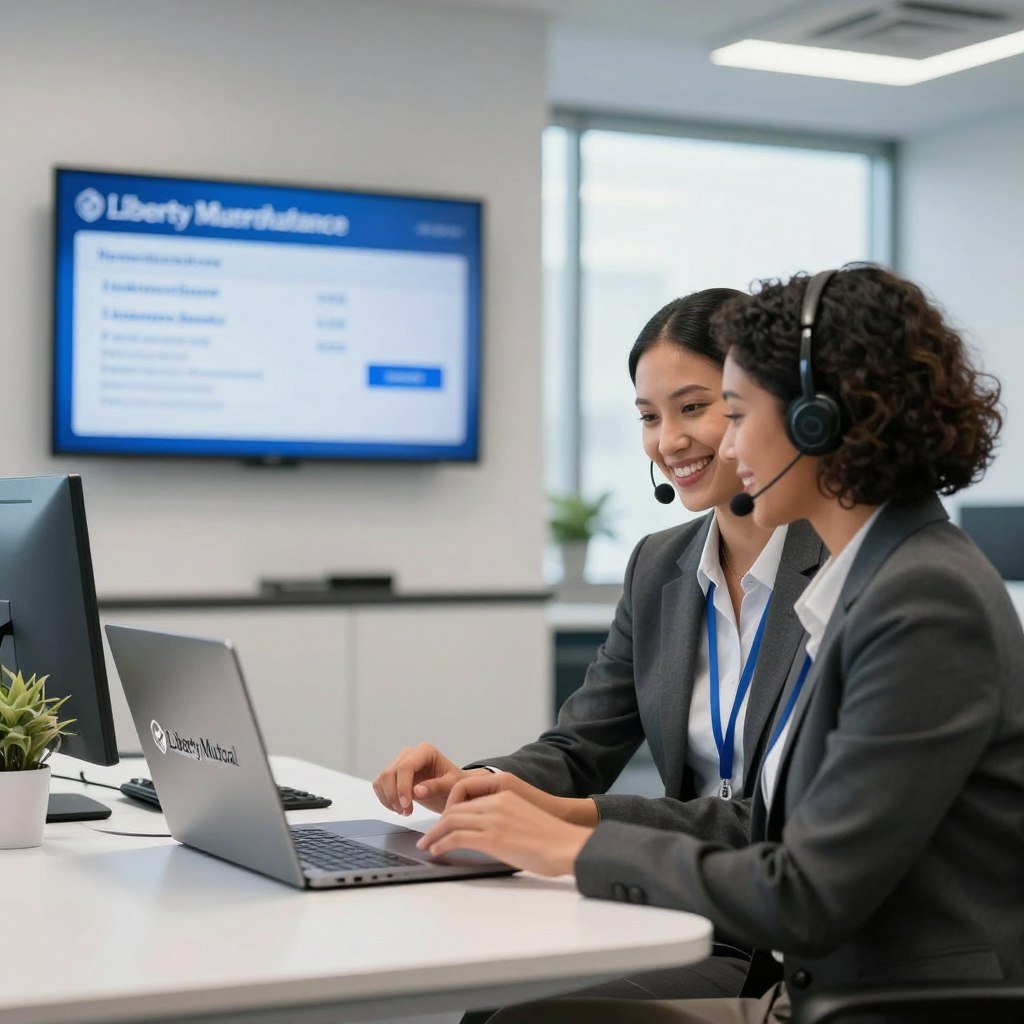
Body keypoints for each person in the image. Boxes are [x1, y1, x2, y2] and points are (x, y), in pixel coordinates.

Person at [418, 265, 1024, 1024]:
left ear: (818, 421)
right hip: (807, 969)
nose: (723, 447)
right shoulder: (877, 577)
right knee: (501, 1008)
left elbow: (807, 890)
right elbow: (767, 826)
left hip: (881, 999)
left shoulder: (922, 600)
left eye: (732, 413)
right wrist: (526, 805)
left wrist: (574, 845)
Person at [374, 288, 826, 999]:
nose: (668, 441)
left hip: (785, 935)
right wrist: (478, 783)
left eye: (693, 407)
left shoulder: (839, 571)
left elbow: (785, 817)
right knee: (492, 1002)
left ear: (761, 408)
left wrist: (572, 825)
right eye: (649, 416)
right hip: (687, 909)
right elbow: (579, 748)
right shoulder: (660, 566)